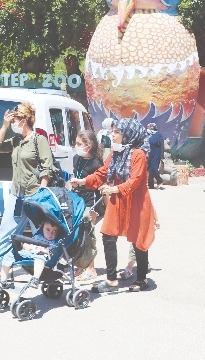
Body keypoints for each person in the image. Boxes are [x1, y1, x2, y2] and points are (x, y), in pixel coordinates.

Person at [70, 118, 157, 293]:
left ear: (128, 135)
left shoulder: (138, 154)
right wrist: (82, 181)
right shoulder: (116, 153)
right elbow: (102, 173)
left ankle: (141, 279)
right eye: (113, 131)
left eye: (117, 132)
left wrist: (114, 189)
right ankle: (111, 280)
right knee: (108, 235)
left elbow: (135, 181)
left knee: (138, 239)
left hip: (136, 201)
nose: (113, 135)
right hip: (118, 199)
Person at [0, 103, 53, 278]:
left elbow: (47, 168)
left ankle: (48, 268)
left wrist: (41, 192)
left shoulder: (38, 140)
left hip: (35, 195)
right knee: (7, 231)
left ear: (24, 121)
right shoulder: (17, 141)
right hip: (17, 195)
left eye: (15, 120)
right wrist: (3, 126)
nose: (13, 124)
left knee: (42, 234)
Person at [71, 130, 105, 281]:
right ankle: (81, 265)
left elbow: (99, 183)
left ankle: (91, 268)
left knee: (88, 234)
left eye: (79, 143)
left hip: (90, 200)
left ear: (89, 146)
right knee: (78, 233)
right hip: (77, 198)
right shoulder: (76, 158)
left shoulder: (96, 163)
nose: (76, 146)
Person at [0, 217, 61, 289]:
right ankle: (3, 281)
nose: (50, 233)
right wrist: (27, 246)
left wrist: (43, 250)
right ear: (42, 228)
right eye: (48, 230)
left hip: (41, 257)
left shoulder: (55, 242)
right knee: (9, 255)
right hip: (29, 254)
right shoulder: (38, 236)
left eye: (54, 231)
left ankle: (35, 279)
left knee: (40, 258)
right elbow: (28, 244)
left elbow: (53, 252)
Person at [147, 123, 165, 190]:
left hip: (156, 154)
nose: (148, 129)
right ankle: (150, 185)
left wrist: (162, 156)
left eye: (149, 127)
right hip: (149, 154)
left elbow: (162, 147)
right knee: (150, 169)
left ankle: (159, 180)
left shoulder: (159, 135)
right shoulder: (148, 135)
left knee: (154, 168)